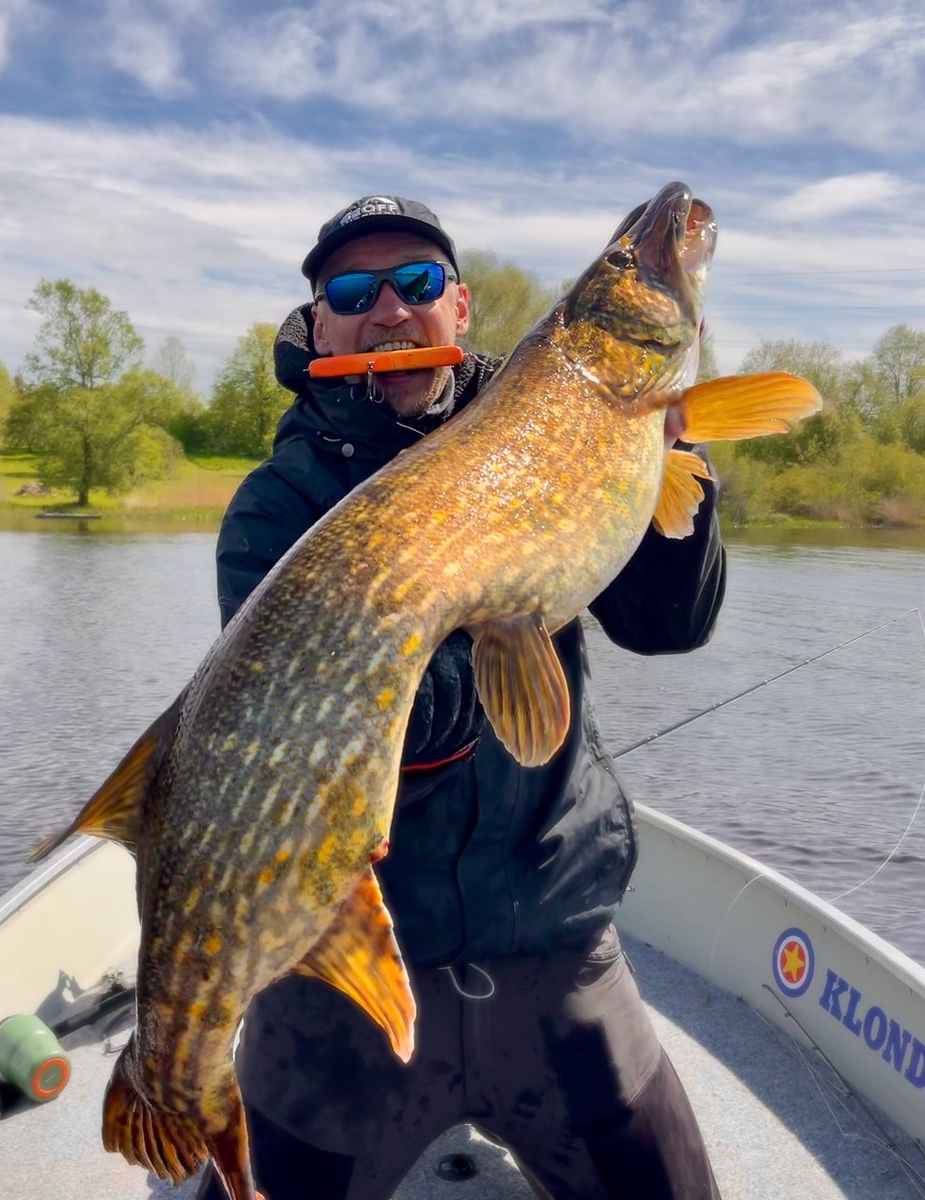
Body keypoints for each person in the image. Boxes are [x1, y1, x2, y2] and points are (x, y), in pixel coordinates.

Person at [202, 195, 725, 1200]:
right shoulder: (274, 507)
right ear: (319, 327)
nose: (388, 309)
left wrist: (675, 451)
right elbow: (351, 735)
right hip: (347, 967)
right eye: (351, 292)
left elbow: (669, 624)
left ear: (463, 308)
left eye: (418, 282)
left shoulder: (551, 428)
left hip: (554, 931)